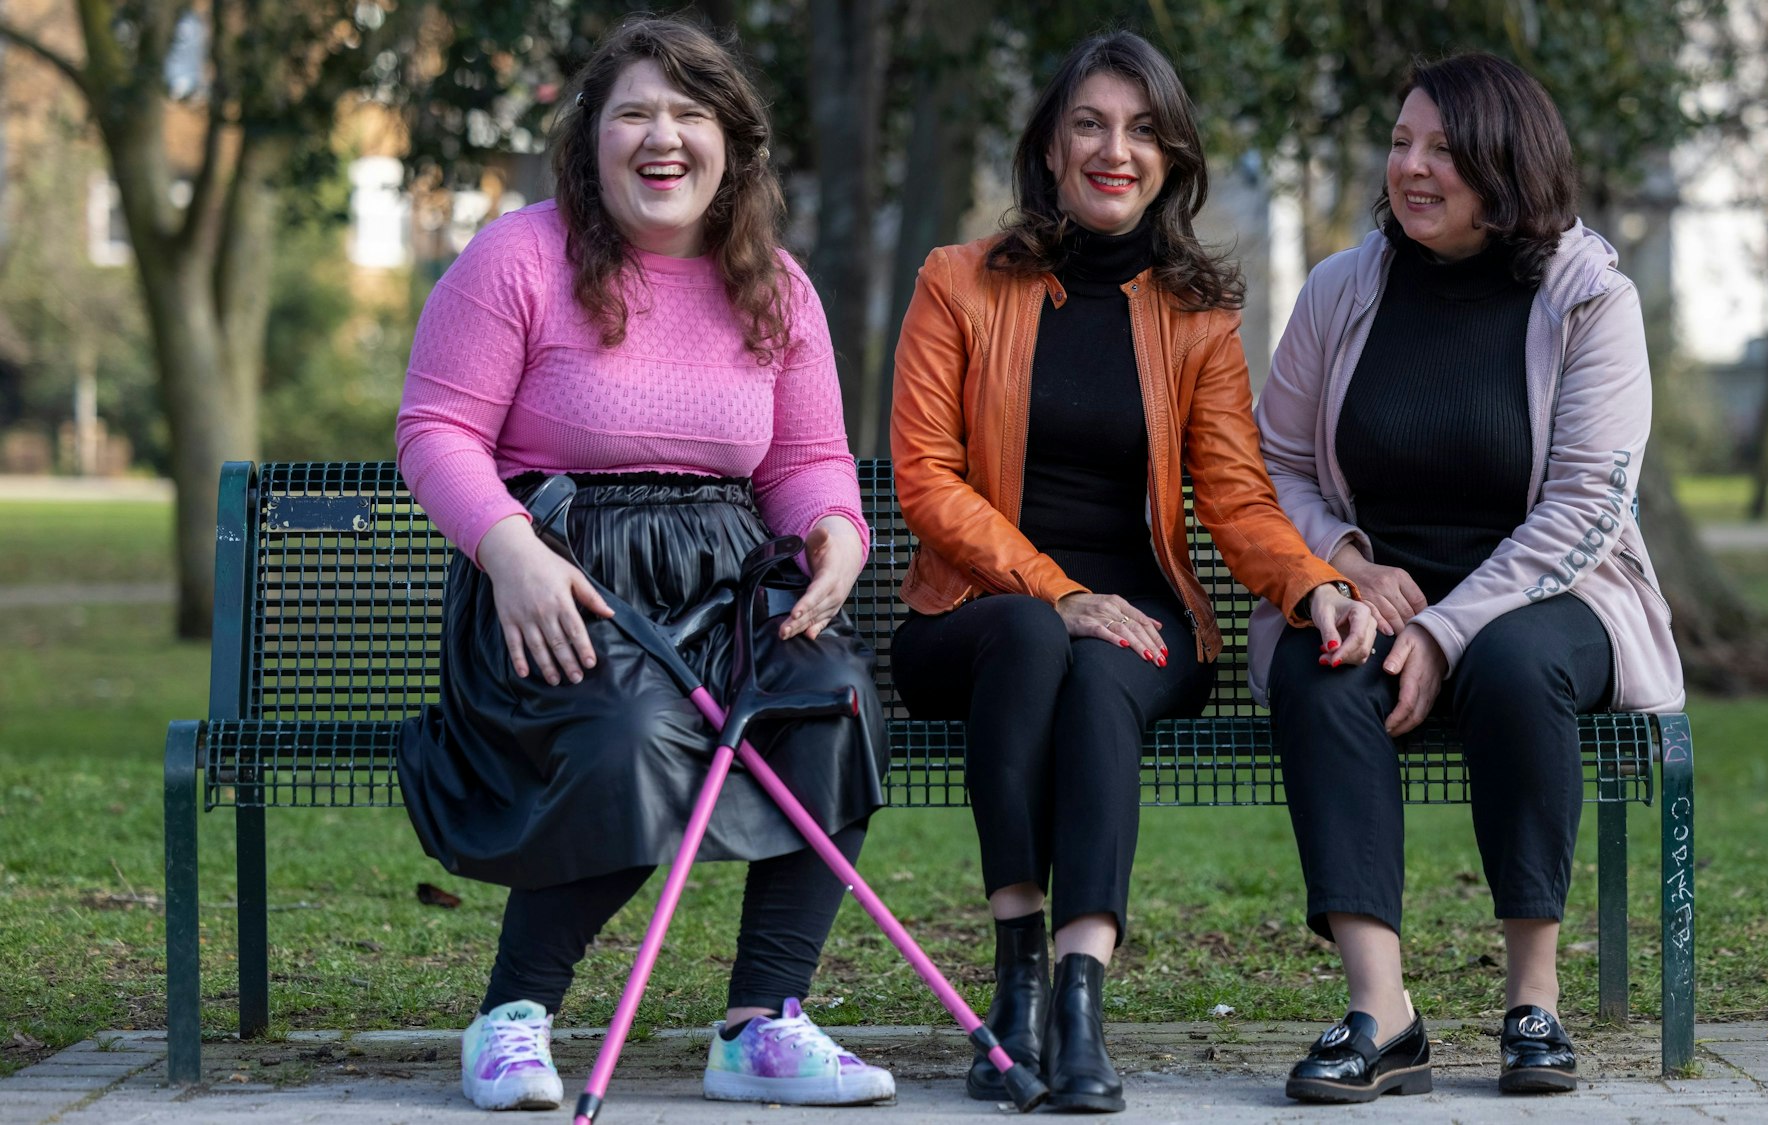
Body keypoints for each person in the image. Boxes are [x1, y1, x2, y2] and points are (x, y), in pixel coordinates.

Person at [392, 16, 896, 1112]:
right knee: (633, 733)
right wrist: (508, 552)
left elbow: (808, 459)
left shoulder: (777, 286)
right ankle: (512, 1019)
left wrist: (836, 534)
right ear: (592, 138)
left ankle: (761, 1025)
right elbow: (433, 432)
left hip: (724, 585)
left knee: (837, 699)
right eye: (633, 112)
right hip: (559, 582)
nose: (660, 137)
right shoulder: (517, 257)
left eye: (687, 113)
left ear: (731, 143)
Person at [889, 30, 1375, 1114]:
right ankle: (1014, 980)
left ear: (1171, 158)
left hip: (1143, 622)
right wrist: (1055, 591)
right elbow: (922, 477)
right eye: (1091, 125)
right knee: (1032, 635)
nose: (1117, 150)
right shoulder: (956, 284)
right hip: (973, 614)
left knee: (1107, 666)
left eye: (1143, 130)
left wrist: (1312, 585)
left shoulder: (1195, 315)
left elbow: (1236, 498)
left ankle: (1076, 994)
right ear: (1051, 149)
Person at [1251, 52, 1686, 1103]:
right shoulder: (1340, 289)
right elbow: (1275, 467)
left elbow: (1586, 507)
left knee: (1515, 664)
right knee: (1318, 672)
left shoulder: (1588, 297)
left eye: (1441, 149)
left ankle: (1530, 1000)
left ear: (1506, 162)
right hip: (1372, 588)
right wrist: (1345, 566)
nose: (1410, 167)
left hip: (1550, 591)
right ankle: (1379, 1012)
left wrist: (1446, 629)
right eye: (1400, 143)